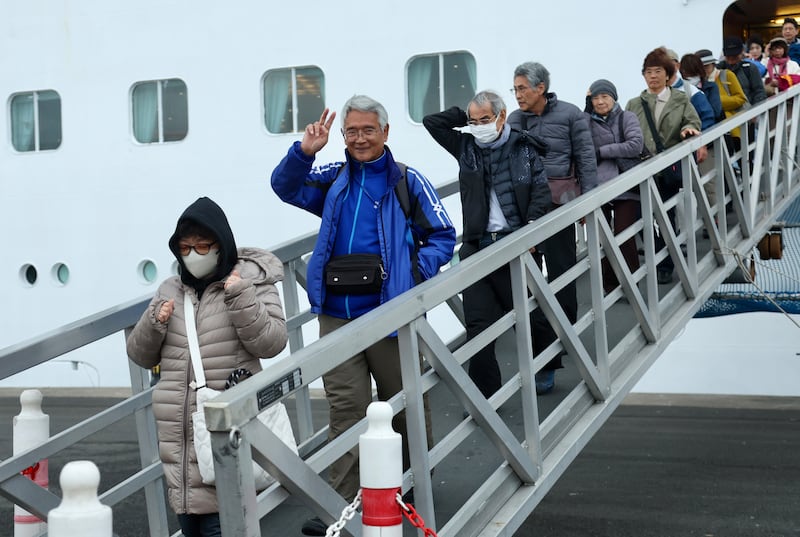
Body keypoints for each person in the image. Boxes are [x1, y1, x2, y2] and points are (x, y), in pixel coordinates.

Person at [270, 95, 456, 536]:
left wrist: (412, 272)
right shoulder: (334, 179)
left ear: (385, 132)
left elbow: (443, 235)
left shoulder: (408, 182)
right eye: (350, 131)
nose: (359, 138)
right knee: (346, 408)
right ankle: (340, 504)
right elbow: (286, 187)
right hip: (337, 314)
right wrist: (303, 152)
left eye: (367, 130)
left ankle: (410, 485)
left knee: (404, 400)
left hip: (390, 313)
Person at [126, 196, 289, 537]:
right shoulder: (170, 289)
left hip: (227, 443)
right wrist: (156, 322)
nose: (194, 255)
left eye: (203, 246)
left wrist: (241, 297)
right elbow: (140, 356)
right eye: (185, 248)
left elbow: (272, 343)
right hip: (180, 456)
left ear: (222, 244)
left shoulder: (252, 282)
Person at [422, 90, 551, 398]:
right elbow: (432, 123)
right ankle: (485, 392)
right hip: (477, 245)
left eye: (485, 119)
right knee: (478, 322)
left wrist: (531, 230)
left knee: (527, 314)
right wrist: (463, 116)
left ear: (501, 117)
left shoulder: (523, 147)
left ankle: (545, 364)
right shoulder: (465, 146)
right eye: (474, 121)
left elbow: (541, 192)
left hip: (515, 243)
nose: (478, 126)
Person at [506, 61, 598, 394]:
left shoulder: (572, 114)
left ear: (540, 87)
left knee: (563, 279)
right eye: (514, 89)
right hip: (525, 210)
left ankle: (564, 338)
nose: (517, 95)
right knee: (528, 286)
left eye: (522, 89)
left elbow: (586, 157)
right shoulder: (514, 120)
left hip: (560, 206)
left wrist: (589, 201)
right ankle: (543, 358)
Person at [625, 48, 701, 285]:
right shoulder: (634, 103)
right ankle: (659, 255)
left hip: (667, 170)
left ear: (668, 74)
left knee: (666, 218)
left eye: (658, 71)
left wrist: (688, 130)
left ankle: (667, 265)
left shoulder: (680, 100)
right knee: (638, 219)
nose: (653, 76)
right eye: (648, 72)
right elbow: (623, 131)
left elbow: (693, 121)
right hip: (640, 170)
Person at [584, 79, 645, 294]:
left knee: (624, 234)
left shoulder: (626, 117)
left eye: (605, 97)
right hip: (597, 187)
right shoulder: (587, 121)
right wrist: (585, 107)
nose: (600, 102)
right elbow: (581, 142)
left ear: (614, 98)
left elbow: (635, 145)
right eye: (595, 98)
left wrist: (602, 152)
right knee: (603, 239)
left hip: (625, 184)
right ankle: (609, 285)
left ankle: (631, 282)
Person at [719, 36, 767, 106]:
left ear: (742, 52)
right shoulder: (718, 69)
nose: (731, 58)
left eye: (735, 55)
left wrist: (754, 111)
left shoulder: (750, 68)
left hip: (747, 111)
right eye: (729, 55)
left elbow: (759, 91)